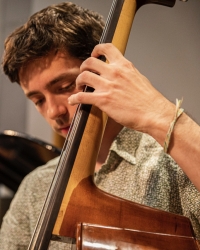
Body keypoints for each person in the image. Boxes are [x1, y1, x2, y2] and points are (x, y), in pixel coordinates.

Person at [0, 2, 200, 250]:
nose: (54, 112)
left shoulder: (171, 161)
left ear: (103, 71)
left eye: (64, 87)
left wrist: (160, 113)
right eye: (38, 100)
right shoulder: (35, 187)